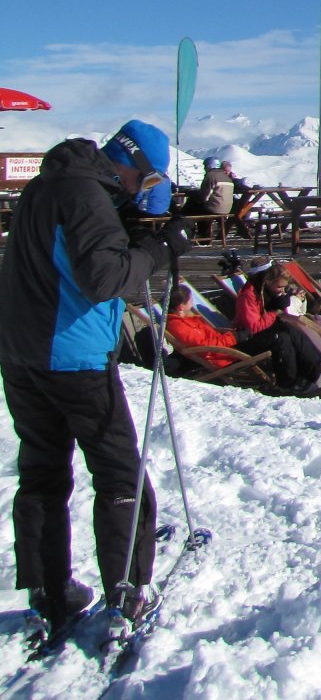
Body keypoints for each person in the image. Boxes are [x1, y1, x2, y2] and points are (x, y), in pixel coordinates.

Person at [0, 119, 190, 634]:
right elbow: (104, 278)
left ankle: (50, 592)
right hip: (74, 356)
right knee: (117, 471)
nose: (144, 191)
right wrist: (157, 249)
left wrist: (128, 221)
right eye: (148, 181)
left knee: (42, 474)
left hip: (20, 351)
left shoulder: (51, 183)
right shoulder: (87, 196)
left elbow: (73, 251)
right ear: (133, 167)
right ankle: (126, 590)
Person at [231, 265, 321, 393]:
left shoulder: (267, 292)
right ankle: (286, 384)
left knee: (289, 329)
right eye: (280, 287)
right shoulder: (249, 295)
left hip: (263, 333)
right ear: (268, 281)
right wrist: (275, 313)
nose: (282, 290)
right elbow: (253, 327)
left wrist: (281, 303)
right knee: (281, 338)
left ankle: (309, 374)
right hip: (245, 339)